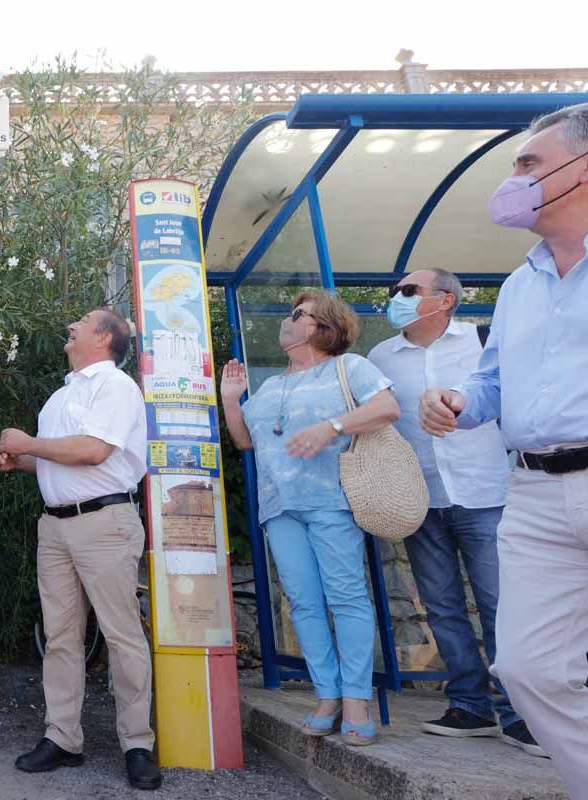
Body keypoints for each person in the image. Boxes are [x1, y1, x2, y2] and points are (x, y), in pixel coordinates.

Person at [420, 102, 588, 794]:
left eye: (528, 164)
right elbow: (492, 384)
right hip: (535, 492)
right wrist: (458, 402)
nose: (513, 178)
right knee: (526, 668)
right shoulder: (521, 285)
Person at [369, 269, 542, 754]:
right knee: (442, 607)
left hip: (487, 492)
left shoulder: (484, 342)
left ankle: (521, 713)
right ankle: (470, 705)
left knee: (501, 604)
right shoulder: (380, 356)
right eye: (394, 292)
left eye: (408, 291)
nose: (397, 298)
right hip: (420, 498)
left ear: (445, 300)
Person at [0, 307, 162, 791]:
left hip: (105, 523)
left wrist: (28, 443)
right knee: (61, 636)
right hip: (56, 526)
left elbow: (93, 451)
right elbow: (61, 460)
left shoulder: (116, 386)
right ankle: (62, 738)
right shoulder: (60, 396)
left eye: (84, 321)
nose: (71, 326)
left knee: (121, 634)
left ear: (105, 338)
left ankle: (137, 744)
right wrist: (23, 461)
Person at [220, 291, 399, 746]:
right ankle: (327, 694)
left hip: (331, 500)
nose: (288, 318)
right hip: (279, 507)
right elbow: (246, 441)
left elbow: (387, 409)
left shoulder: (349, 367)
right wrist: (230, 400)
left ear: (323, 328)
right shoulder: (270, 386)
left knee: (346, 597)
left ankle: (356, 699)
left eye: (298, 314)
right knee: (302, 602)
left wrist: (331, 427)